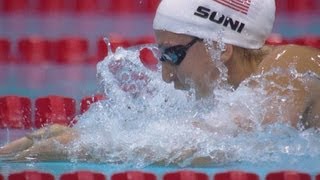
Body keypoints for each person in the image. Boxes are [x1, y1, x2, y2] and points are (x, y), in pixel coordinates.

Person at [0, 0, 319, 163]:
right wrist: (80, 135)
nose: (166, 75)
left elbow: (214, 146)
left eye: (173, 55)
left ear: (221, 48)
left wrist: (82, 148)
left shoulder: (291, 70)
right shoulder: (239, 90)